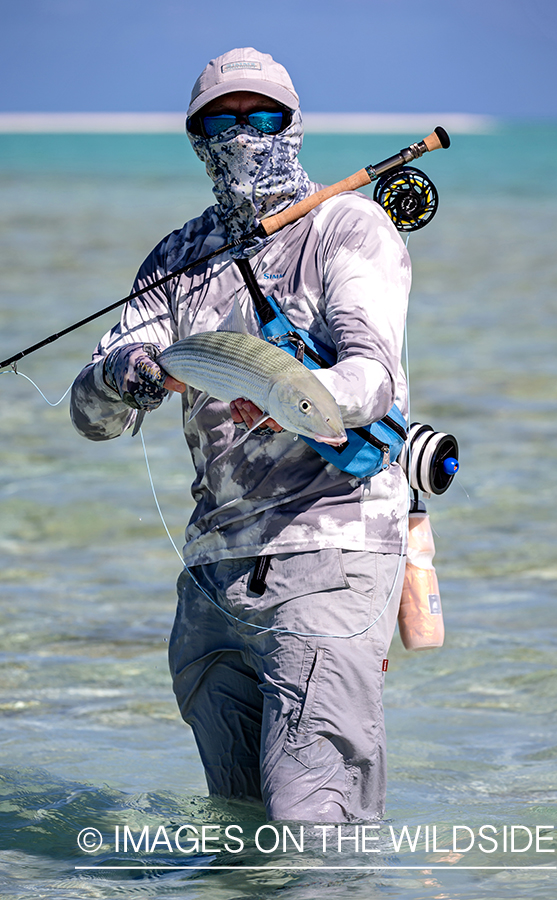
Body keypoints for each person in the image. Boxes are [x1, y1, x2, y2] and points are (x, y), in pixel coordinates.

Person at [70, 47, 411, 823]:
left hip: (331, 553)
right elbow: (90, 417)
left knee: (315, 826)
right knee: (238, 830)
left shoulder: (346, 227)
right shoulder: (176, 260)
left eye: (263, 117)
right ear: (195, 136)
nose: (243, 134)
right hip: (211, 574)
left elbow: (375, 379)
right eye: (221, 120)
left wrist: (285, 395)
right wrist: (139, 371)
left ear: (293, 126)